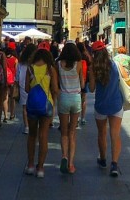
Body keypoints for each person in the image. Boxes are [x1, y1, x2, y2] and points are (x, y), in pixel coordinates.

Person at [88, 41, 124, 177]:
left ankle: (103, 159)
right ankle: (114, 164)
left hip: (101, 105)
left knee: (102, 133)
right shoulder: (115, 65)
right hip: (116, 103)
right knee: (115, 134)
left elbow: (91, 89)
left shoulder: (93, 68)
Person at [23, 47, 58, 178]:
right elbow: (54, 89)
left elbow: (26, 88)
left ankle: (31, 165)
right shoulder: (50, 69)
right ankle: (41, 168)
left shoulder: (30, 68)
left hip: (32, 105)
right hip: (46, 105)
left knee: (32, 135)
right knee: (44, 136)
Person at [56, 42, 84, 174]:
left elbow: (56, 84)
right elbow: (82, 83)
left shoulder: (58, 64)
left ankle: (64, 156)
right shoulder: (79, 64)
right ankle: (71, 165)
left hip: (63, 98)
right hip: (76, 98)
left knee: (64, 132)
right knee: (73, 132)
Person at [16, 43, 35, 135]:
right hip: (34, 86)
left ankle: (26, 127)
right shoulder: (35, 63)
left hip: (22, 85)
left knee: (24, 107)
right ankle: (33, 125)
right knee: (33, 106)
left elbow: (17, 76)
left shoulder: (21, 63)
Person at [5, 46, 18, 121]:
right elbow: (16, 70)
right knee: (12, 98)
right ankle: (12, 114)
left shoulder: (4, 59)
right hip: (13, 80)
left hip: (5, 80)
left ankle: (5, 114)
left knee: (5, 97)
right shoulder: (15, 59)